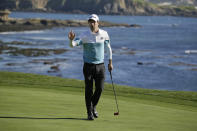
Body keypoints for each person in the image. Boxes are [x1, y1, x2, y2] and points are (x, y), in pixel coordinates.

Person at [68, 14, 113, 120]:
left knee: (100, 88)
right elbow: (73, 45)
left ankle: (93, 107)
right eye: (90, 22)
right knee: (89, 90)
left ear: (98, 23)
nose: (91, 24)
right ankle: (89, 112)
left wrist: (110, 62)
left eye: (93, 22)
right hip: (88, 67)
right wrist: (71, 40)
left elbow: (108, 48)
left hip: (100, 66)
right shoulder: (84, 35)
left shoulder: (104, 34)